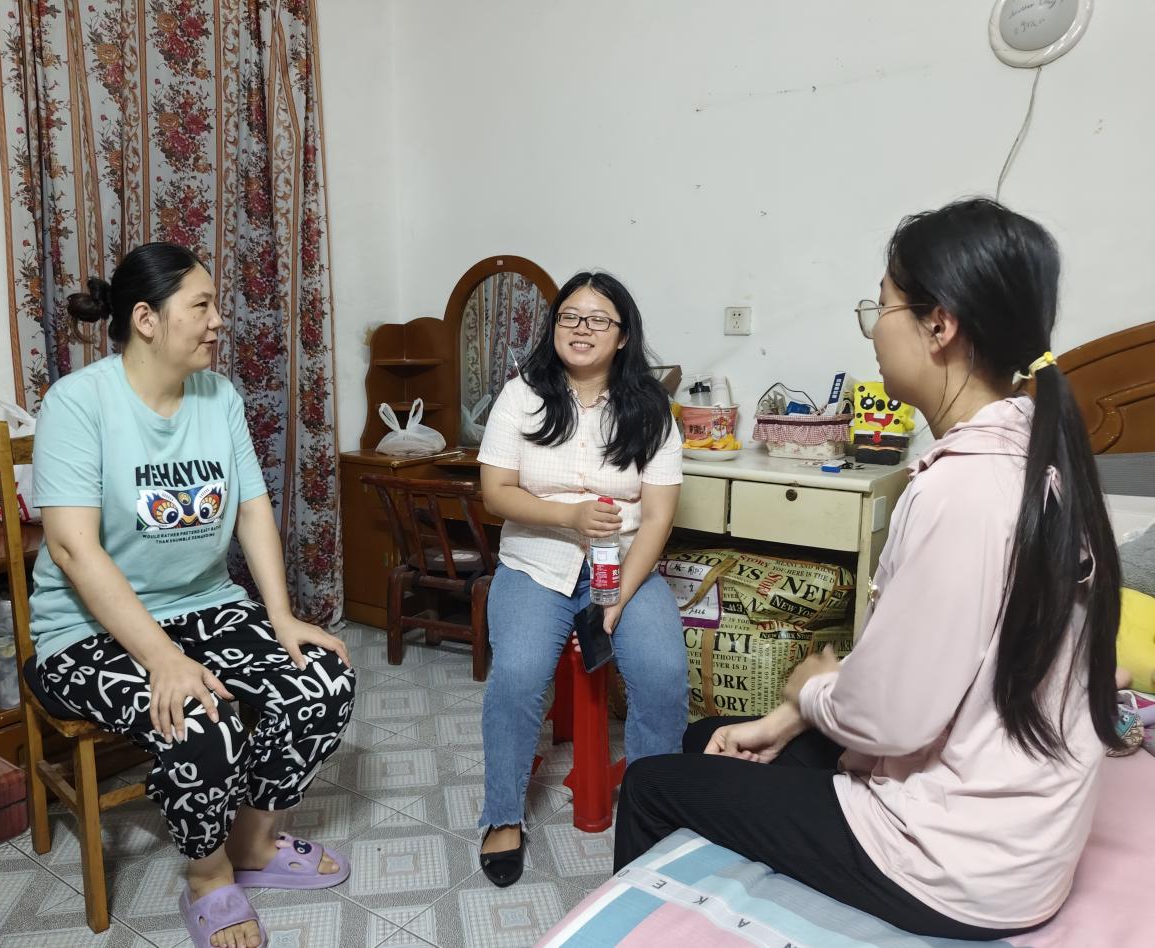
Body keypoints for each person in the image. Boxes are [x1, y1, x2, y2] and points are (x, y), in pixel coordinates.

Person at [613, 199, 1125, 940]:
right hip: (1015, 840)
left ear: (939, 324)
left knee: (651, 784)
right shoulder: (1040, 459)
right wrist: (790, 716)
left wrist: (810, 690)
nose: (874, 329)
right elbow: (940, 663)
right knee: (711, 740)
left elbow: (891, 718)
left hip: (954, 863)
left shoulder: (964, 491)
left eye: (880, 306)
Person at [30, 242, 355, 948]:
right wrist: (162, 660)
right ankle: (208, 877)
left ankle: (253, 843)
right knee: (204, 722)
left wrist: (281, 616)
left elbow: (253, 508)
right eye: (201, 306)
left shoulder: (218, 396)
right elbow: (72, 549)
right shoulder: (78, 403)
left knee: (324, 680)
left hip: (206, 604)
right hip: (87, 630)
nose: (218, 320)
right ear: (145, 319)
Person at [476, 270, 688, 887]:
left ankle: (653, 811)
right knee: (517, 675)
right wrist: (568, 516)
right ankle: (502, 816)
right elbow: (496, 493)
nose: (581, 328)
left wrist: (620, 596)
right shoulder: (522, 395)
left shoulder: (650, 409)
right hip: (535, 563)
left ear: (622, 335)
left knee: (663, 672)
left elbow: (658, 517)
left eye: (598, 319)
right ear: (554, 326)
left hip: (624, 565)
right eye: (569, 316)